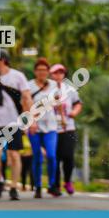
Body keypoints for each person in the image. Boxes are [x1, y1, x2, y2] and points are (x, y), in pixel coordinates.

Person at [0, 50, 32, 201]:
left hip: (14, 123)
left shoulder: (18, 76)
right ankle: (0, 179)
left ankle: (14, 187)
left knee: (14, 155)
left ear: (3, 60)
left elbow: (27, 98)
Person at [27, 57, 60, 198]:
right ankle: (38, 186)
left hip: (51, 126)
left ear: (48, 71)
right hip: (34, 127)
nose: (42, 72)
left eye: (44, 70)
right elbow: (25, 105)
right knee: (38, 157)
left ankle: (52, 185)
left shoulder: (53, 85)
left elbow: (57, 103)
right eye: (39, 70)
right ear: (35, 72)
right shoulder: (29, 86)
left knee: (52, 156)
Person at [50, 64, 82, 195]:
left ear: (64, 74)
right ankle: (55, 185)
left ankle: (68, 181)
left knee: (68, 156)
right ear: (51, 75)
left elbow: (78, 103)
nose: (58, 75)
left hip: (68, 128)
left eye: (61, 73)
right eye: (55, 73)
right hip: (52, 128)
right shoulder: (46, 89)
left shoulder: (69, 89)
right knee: (55, 158)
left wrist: (74, 112)